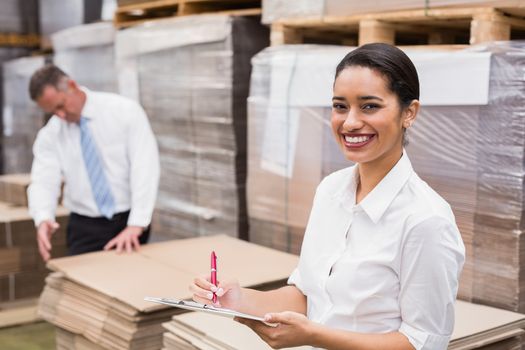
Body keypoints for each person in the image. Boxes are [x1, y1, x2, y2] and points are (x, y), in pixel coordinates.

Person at [190, 43, 465, 350]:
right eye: (340, 106)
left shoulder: (426, 220)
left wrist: (313, 336)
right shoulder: (330, 191)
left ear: (409, 113)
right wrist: (237, 299)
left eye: (370, 106)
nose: (349, 122)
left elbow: (423, 342)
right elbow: (308, 294)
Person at [27, 64, 160, 261]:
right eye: (53, 112)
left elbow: (144, 167)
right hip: (85, 226)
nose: (60, 115)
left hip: (128, 220)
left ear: (71, 85)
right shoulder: (51, 134)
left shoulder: (125, 112)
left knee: (131, 284)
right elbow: (43, 179)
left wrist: (137, 224)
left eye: (61, 105)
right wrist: (43, 217)